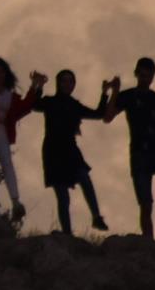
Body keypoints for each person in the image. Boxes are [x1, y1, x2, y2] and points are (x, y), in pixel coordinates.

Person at [104, 57, 155, 239]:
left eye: (148, 75)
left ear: (153, 76)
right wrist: (114, 91)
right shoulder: (128, 95)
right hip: (140, 152)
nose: (145, 78)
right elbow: (108, 117)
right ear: (137, 74)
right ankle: (149, 241)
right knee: (146, 203)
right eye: (142, 74)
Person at [34, 69, 111, 235]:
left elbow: (98, 114)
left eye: (71, 81)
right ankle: (67, 234)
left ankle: (96, 216)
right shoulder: (50, 102)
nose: (67, 84)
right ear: (58, 83)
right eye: (64, 81)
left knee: (84, 177)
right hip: (53, 151)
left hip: (70, 149)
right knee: (63, 195)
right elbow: (35, 105)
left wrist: (105, 93)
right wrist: (38, 86)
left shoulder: (74, 105)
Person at [0, 57, 45, 219]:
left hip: (0, 130)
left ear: (5, 74)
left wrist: (36, 85)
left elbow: (25, 106)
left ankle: (16, 202)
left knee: (7, 163)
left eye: (0, 72)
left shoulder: (10, 96)